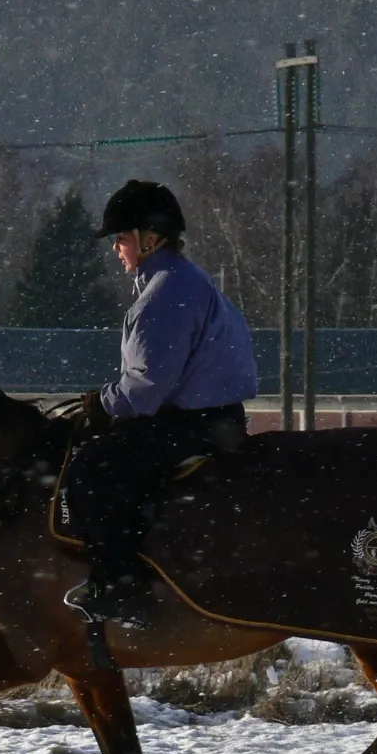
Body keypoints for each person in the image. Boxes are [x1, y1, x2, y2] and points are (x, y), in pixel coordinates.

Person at [64, 179, 258, 629]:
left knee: (92, 468)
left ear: (150, 240)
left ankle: (121, 586)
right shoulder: (179, 281)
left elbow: (146, 387)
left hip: (189, 422)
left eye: (122, 239)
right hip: (206, 417)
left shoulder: (167, 292)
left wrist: (102, 406)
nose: (117, 249)